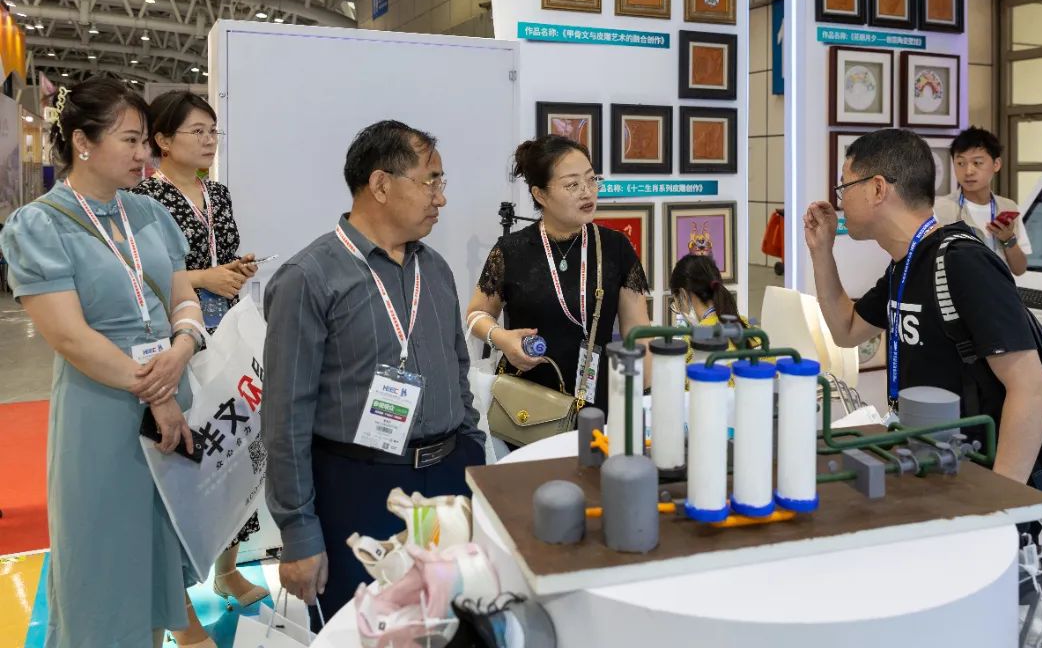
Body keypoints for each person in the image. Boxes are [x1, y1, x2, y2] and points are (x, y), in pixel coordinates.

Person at [0, 77, 206, 647]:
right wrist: (158, 393)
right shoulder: (40, 224)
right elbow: (70, 337)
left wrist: (184, 345)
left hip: (168, 401)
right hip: (103, 413)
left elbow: (182, 296)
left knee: (156, 552)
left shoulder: (148, 213)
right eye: (130, 140)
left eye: (145, 141)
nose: (144, 154)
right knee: (102, 557)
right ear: (83, 142)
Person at [262, 120, 486, 627]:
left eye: (441, 182)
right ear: (381, 184)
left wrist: (471, 452)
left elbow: (457, 368)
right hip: (358, 489)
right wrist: (298, 531)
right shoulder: (309, 278)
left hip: (448, 480)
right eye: (430, 181)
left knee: (451, 626)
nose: (441, 198)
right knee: (364, 631)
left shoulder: (435, 269)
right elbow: (285, 417)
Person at [803, 128, 1042, 488]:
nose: (840, 200)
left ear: (877, 189)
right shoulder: (903, 265)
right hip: (927, 462)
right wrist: (821, 252)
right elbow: (847, 330)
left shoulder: (964, 262)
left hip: (975, 475)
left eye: (845, 186)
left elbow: (1031, 389)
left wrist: (1001, 497)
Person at [130, 91, 265, 647]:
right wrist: (204, 279)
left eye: (214, 131)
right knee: (185, 467)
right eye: (198, 131)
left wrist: (235, 270)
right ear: (163, 140)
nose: (210, 141)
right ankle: (179, 609)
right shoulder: (144, 198)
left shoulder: (218, 193)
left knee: (237, 453)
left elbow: (220, 257)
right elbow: (146, 275)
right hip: (174, 340)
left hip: (228, 335)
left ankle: (229, 569)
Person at [466, 135, 652, 418]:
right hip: (523, 405)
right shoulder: (511, 250)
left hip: (594, 401)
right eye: (572, 185)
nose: (587, 192)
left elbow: (639, 333)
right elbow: (476, 314)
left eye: (591, 179)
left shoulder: (615, 247)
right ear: (540, 194)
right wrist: (501, 338)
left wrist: (648, 399)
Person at [934, 126, 1031, 277]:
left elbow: (1019, 269)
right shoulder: (939, 210)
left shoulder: (1008, 207)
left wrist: (1008, 239)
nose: (968, 171)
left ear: (996, 164)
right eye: (960, 163)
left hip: (1001, 290)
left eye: (977, 163)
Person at [669, 253, 753, 363]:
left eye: (677, 305)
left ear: (683, 295)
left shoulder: (692, 343)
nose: (679, 311)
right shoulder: (748, 326)